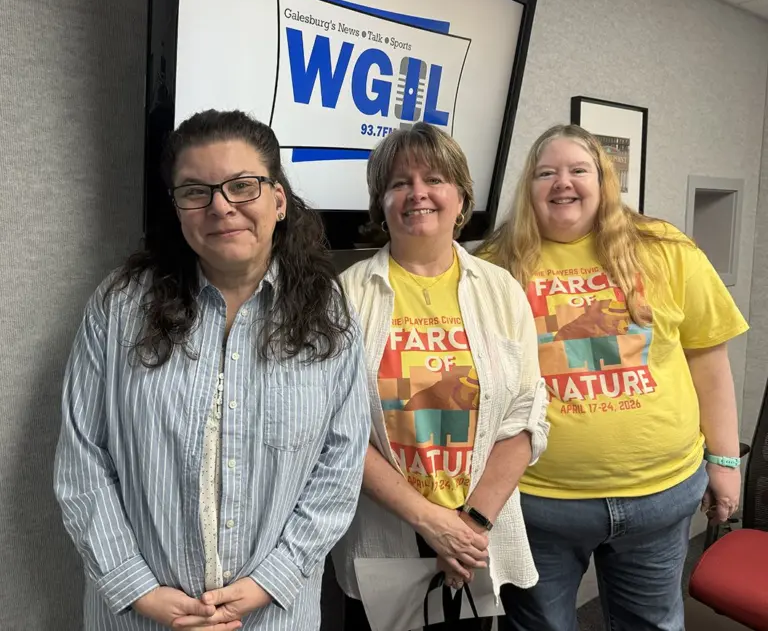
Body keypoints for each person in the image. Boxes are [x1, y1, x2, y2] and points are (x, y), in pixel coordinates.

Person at [53, 109, 370, 631]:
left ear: (279, 199)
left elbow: (340, 465)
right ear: (177, 209)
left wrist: (274, 577)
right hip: (139, 617)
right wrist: (136, 587)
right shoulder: (118, 308)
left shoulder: (327, 316)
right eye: (196, 191)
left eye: (243, 185)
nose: (221, 206)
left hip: (272, 615)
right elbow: (81, 456)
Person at [478, 124, 749, 631]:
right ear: (528, 186)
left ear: (603, 181)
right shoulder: (494, 265)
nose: (563, 182)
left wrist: (726, 462)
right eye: (546, 172)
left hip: (660, 497)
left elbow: (709, 363)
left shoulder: (666, 248)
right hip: (539, 504)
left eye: (579, 169)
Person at [332, 122, 550, 630]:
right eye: (398, 183)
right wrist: (432, 522)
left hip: (476, 535)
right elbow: (335, 430)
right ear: (380, 202)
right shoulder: (346, 295)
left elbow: (527, 414)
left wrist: (468, 526)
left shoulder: (500, 290)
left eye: (434, 178)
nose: (417, 193)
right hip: (386, 534)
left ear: (461, 197)